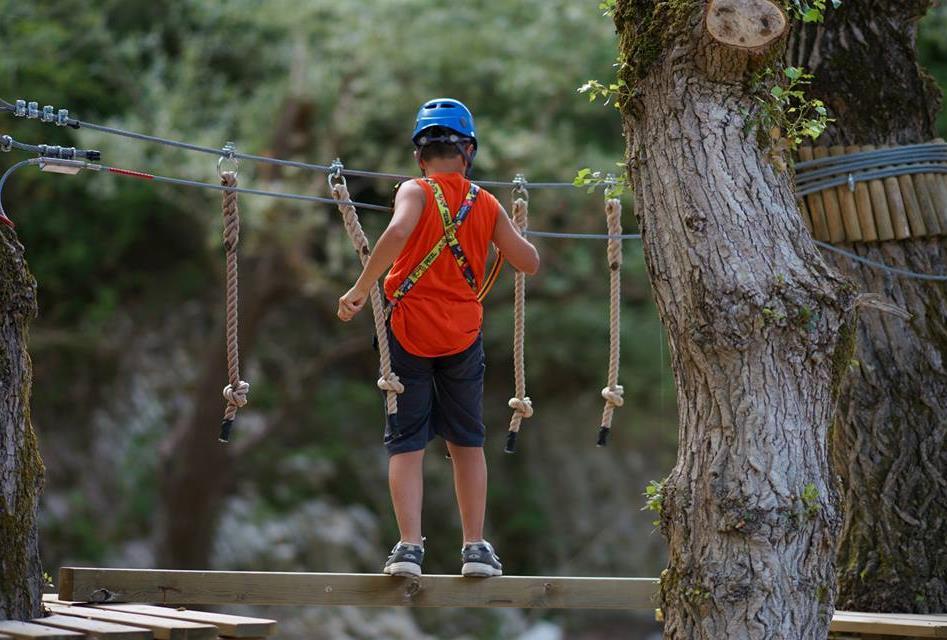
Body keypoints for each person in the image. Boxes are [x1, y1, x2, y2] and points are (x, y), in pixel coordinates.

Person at [337, 98, 540, 578]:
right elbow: (527, 262)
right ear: (467, 150)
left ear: (418, 155)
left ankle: (409, 547)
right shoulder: (485, 203)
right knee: (466, 442)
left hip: (407, 329)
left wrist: (361, 289)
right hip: (461, 335)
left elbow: (397, 231)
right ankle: (474, 547)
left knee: (406, 441)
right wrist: (507, 227)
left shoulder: (415, 190)